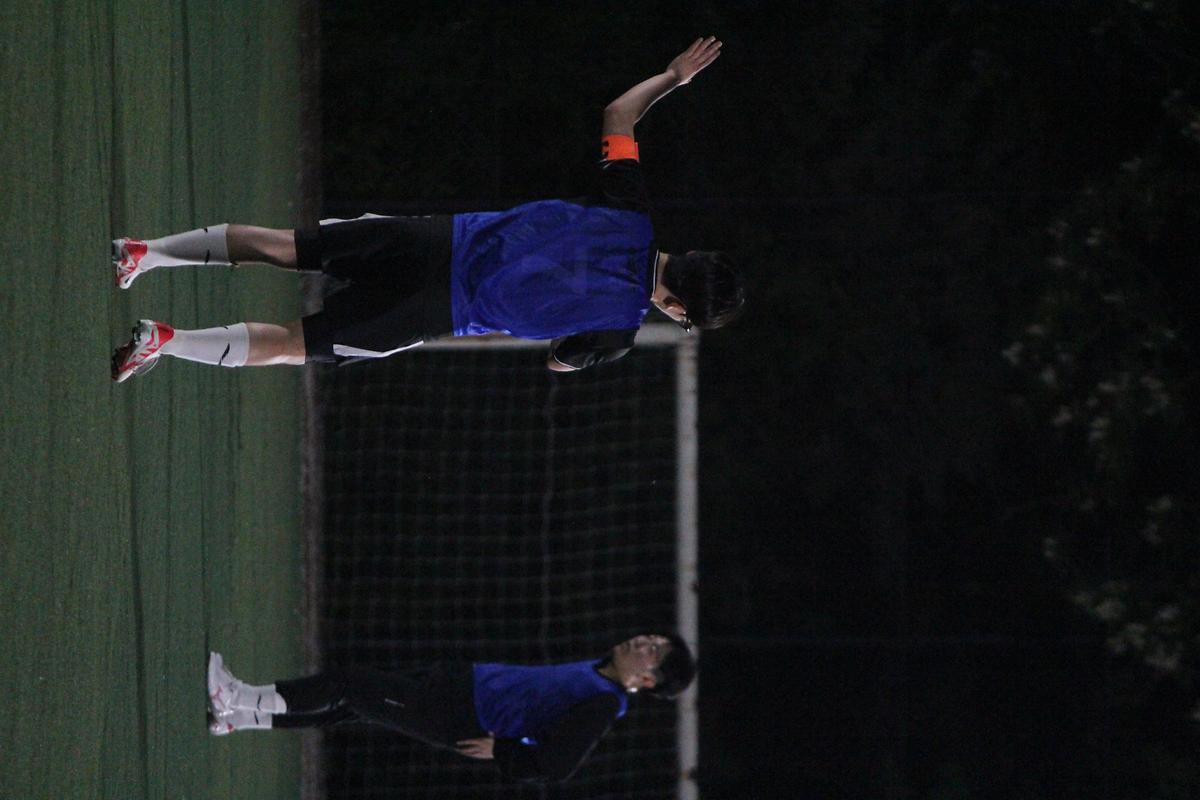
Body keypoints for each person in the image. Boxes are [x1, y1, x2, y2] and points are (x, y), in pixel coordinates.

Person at [110, 36, 743, 382]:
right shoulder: (618, 332)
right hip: (438, 308)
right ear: (679, 308)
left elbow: (618, 114)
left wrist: (673, 77)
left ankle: (145, 253)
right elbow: (558, 359)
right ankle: (164, 340)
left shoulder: (629, 211)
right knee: (291, 345)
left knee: (284, 246)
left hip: (435, 239)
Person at [206, 633, 695, 784]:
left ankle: (237, 698)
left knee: (350, 686)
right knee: (350, 706)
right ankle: (239, 718)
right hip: (460, 686)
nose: (643, 641)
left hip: (460, 715)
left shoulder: (604, 705)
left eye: (653, 651)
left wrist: (502, 752)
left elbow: (557, 765)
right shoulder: (599, 670)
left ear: (648, 681)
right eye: (651, 638)